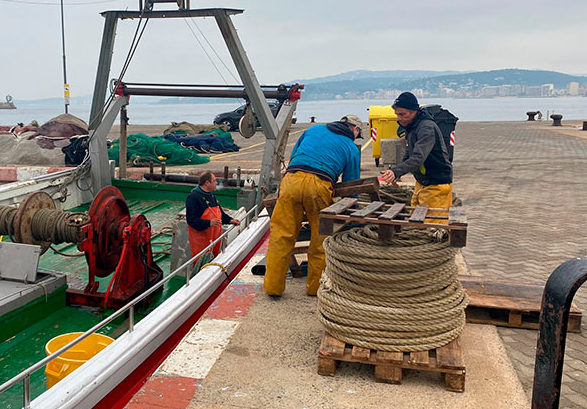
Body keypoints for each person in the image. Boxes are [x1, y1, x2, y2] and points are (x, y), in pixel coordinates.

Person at [264, 115, 363, 297]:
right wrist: (351, 211)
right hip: (319, 185)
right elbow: (351, 185)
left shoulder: (314, 130)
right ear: (355, 130)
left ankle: (273, 287)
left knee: (281, 236)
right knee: (320, 239)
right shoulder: (351, 148)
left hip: (291, 181)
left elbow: (294, 157)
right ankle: (314, 288)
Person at [379, 92, 453, 209]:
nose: (399, 118)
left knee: (432, 222)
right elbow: (409, 153)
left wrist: (396, 171)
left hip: (436, 183)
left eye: (403, 114)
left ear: (414, 111)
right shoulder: (412, 126)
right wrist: (395, 173)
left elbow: (418, 157)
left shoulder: (426, 128)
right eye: (397, 114)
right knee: (415, 216)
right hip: (422, 181)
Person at [186, 171, 240, 257]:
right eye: (214, 181)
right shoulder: (193, 197)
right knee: (202, 263)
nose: (217, 183)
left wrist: (230, 220)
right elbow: (191, 220)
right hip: (201, 243)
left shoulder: (211, 196)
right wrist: (209, 223)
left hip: (214, 240)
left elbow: (220, 214)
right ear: (207, 183)